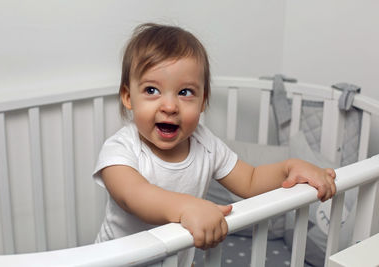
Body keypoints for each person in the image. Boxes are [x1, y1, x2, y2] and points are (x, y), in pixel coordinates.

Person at [92, 23, 336, 266]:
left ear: (203, 102)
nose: (169, 106)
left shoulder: (206, 144)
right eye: (152, 89)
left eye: (185, 92)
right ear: (127, 97)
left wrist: (289, 169)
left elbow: (250, 180)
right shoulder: (121, 148)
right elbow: (133, 196)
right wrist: (188, 208)